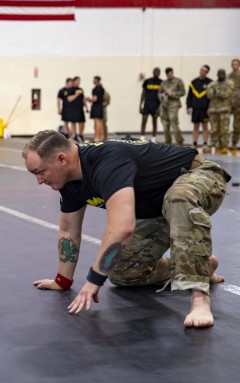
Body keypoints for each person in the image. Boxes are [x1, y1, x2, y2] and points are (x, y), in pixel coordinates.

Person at [22, 130, 230, 328]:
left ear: (61, 159)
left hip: (199, 176)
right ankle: (201, 264)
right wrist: (62, 281)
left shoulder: (106, 162)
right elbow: (68, 230)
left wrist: (94, 280)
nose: (39, 181)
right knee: (125, 273)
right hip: (156, 206)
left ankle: (200, 298)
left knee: (179, 199)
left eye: (40, 172)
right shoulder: (69, 183)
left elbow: (122, 227)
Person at [207, 68, 235, 155]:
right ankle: (213, 144)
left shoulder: (230, 83)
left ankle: (225, 145)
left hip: (225, 110)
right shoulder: (212, 83)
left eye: (223, 73)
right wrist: (219, 93)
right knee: (214, 128)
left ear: (225, 74)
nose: (221, 74)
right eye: (219, 73)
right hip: (213, 110)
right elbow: (209, 95)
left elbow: (227, 94)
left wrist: (216, 92)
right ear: (217, 74)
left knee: (225, 129)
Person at [186, 65, 212, 152]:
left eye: (204, 71)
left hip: (205, 109)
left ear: (207, 72)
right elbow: (189, 96)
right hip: (195, 108)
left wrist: (210, 108)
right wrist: (188, 106)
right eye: (201, 70)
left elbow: (212, 97)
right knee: (195, 126)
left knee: (205, 126)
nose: (202, 72)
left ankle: (205, 144)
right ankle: (194, 143)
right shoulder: (193, 82)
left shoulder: (210, 83)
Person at [159, 67, 186, 145]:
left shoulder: (178, 81)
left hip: (174, 105)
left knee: (173, 122)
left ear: (172, 73)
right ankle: (168, 141)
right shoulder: (163, 83)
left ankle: (179, 141)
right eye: (167, 74)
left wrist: (173, 94)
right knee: (165, 124)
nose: (169, 75)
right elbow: (159, 93)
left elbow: (183, 92)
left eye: (170, 73)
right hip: (165, 105)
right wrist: (163, 95)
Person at [139, 67, 162, 142]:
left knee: (154, 121)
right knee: (144, 120)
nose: (157, 73)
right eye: (156, 71)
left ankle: (153, 138)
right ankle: (142, 137)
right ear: (153, 72)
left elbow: (162, 96)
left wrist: (160, 107)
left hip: (156, 104)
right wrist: (140, 105)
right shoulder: (147, 81)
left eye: (158, 72)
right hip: (147, 103)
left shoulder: (162, 82)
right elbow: (143, 93)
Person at [67, 76, 88, 143]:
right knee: (73, 122)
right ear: (74, 81)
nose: (79, 82)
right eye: (77, 81)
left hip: (80, 108)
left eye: (79, 81)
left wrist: (87, 107)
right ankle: (74, 135)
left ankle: (81, 134)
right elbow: (69, 99)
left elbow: (83, 99)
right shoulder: (70, 89)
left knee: (82, 121)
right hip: (73, 108)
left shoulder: (81, 89)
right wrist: (76, 94)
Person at [85, 76, 105, 142]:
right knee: (100, 122)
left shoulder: (95, 89)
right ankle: (101, 136)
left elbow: (95, 99)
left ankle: (97, 137)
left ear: (96, 81)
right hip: (100, 106)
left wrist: (88, 99)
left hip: (96, 106)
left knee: (97, 122)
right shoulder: (102, 88)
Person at [228, 58, 240, 155]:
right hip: (228, 103)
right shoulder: (228, 76)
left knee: (236, 125)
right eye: (233, 64)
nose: (234, 65)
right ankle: (224, 143)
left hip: (238, 104)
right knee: (225, 124)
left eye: (236, 64)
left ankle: (234, 143)